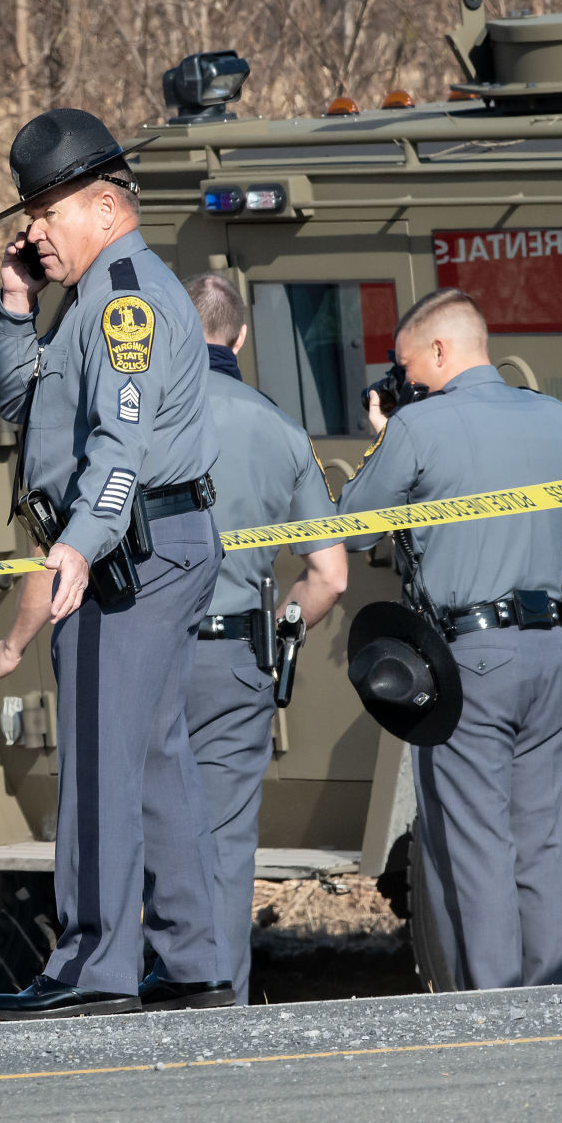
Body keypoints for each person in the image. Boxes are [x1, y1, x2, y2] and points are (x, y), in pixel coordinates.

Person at [0, 107, 230, 1021]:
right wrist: (14, 306)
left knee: (98, 756)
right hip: (151, 539)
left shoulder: (123, 299)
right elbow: (19, 403)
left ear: (105, 206)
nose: (31, 229)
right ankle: (193, 959)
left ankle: (93, 964)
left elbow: (119, 444)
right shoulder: (90, 297)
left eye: (46, 211)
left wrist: (79, 544)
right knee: (153, 755)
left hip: (129, 544)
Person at [336, 287, 562, 991]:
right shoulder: (554, 417)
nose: (404, 380)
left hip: (469, 659)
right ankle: (558, 1007)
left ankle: (495, 1016)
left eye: (406, 364)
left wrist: (385, 435)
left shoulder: (418, 429)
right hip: (550, 651)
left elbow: (350, 529)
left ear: (441, 349)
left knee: (474, 843)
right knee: (540, 838)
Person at [161, 272, 348, 1005]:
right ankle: (216, 1008)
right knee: (225, 843)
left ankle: (152, 1001)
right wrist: (274, 628)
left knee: (145, 831)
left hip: (144, 651)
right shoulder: (280, 427)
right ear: (239, 338)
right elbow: (327, 575)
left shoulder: (139, 417)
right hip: (235, 654)